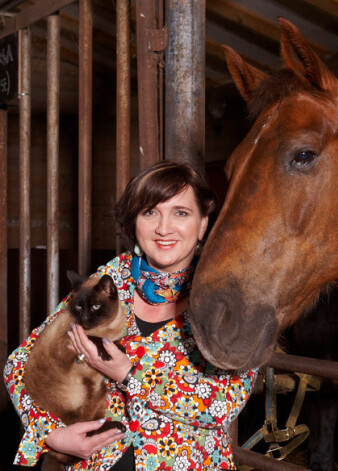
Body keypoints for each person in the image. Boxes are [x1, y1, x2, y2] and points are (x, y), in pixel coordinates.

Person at [4, 160, 257, 470]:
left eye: (181, 213)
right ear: (135, 222)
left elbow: (223, 406)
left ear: (203, 223)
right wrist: (49, 433)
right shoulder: (109, 280)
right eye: (150, 212)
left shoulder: (232, 295)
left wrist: (129, 374)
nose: (164, 228)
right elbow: (17, 365)